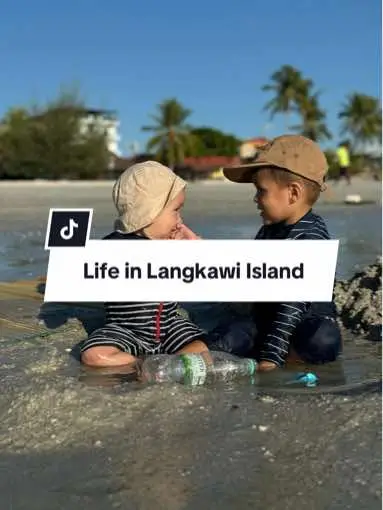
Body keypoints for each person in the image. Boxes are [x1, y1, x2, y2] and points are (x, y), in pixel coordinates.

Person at [211, 134, 342, 372]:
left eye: (261, 191)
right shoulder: (269, 230)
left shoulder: (311, 237)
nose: (256, 199)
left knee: (323, 339)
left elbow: (294, 304)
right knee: (231, 332)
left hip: (302, 322)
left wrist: (271, 359)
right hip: (267, 320)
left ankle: (285, 359)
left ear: (293, 193)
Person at [80, 161, 209, 368]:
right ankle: (143, 364)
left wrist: (192, 245)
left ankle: (167, 365)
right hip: (125, 329)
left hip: (170, 326)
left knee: (203, 349)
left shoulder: (172, 243)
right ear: (150, 211)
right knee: (94, 356)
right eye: (175, 210)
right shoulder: (114, 246)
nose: (180, 220)